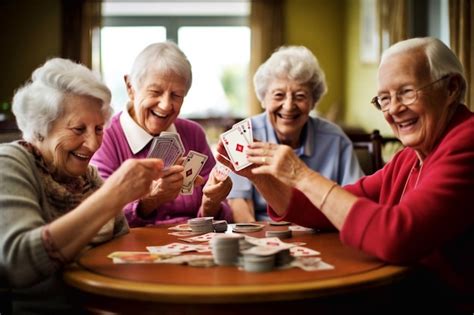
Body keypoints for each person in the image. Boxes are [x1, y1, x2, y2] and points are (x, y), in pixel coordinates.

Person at [218, 37, 474, 311]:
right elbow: (326, 206)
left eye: (407, 92)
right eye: (384, 99)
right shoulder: (409, 157)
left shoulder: (467, 142)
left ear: (451, 88)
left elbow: (397, 237)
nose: (395, 109)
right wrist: (259, 177)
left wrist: (301, 175)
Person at [0, 58, 165, 314]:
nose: (92, 144)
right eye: (78, 129)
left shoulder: (88, 177)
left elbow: (121, 245)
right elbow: (19, 264)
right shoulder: (10, 163)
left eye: (99, 129)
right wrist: (114, 196)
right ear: (42, 126)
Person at [91, 41, 233, 226]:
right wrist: (150, 199)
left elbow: (224, 218)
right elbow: (101, 218)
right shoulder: (106, 136)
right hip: (132, 250)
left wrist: (211, 203)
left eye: (176, 95)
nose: (166, 105)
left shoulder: (193, 133)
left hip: (191, 250)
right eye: (155, 92)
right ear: (130, 87)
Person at [227, 45, 363, 222]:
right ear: (263, 98)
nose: (289, 106)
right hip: (264, 236)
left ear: (313, 101)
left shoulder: (336, 140)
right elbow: (240, 205)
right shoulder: (242, 136)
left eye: (300, 96)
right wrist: (257, 246)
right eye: (278, 95)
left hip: (322, 234)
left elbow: (354, 201)